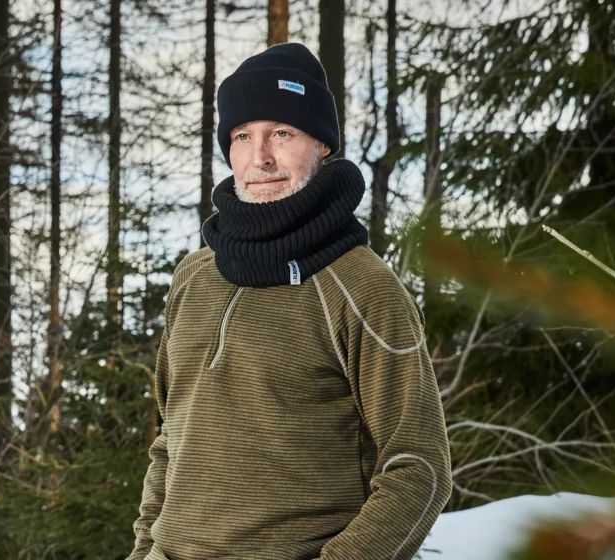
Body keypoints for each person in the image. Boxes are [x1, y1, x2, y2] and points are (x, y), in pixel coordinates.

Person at [126, 42, 451, 560]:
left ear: (321, 144)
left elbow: (419, 466)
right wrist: (143, 550)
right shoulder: (194, 276)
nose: (261, 157)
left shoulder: (361, 286)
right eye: (242, 136)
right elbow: (172, 441)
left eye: (282, 132)